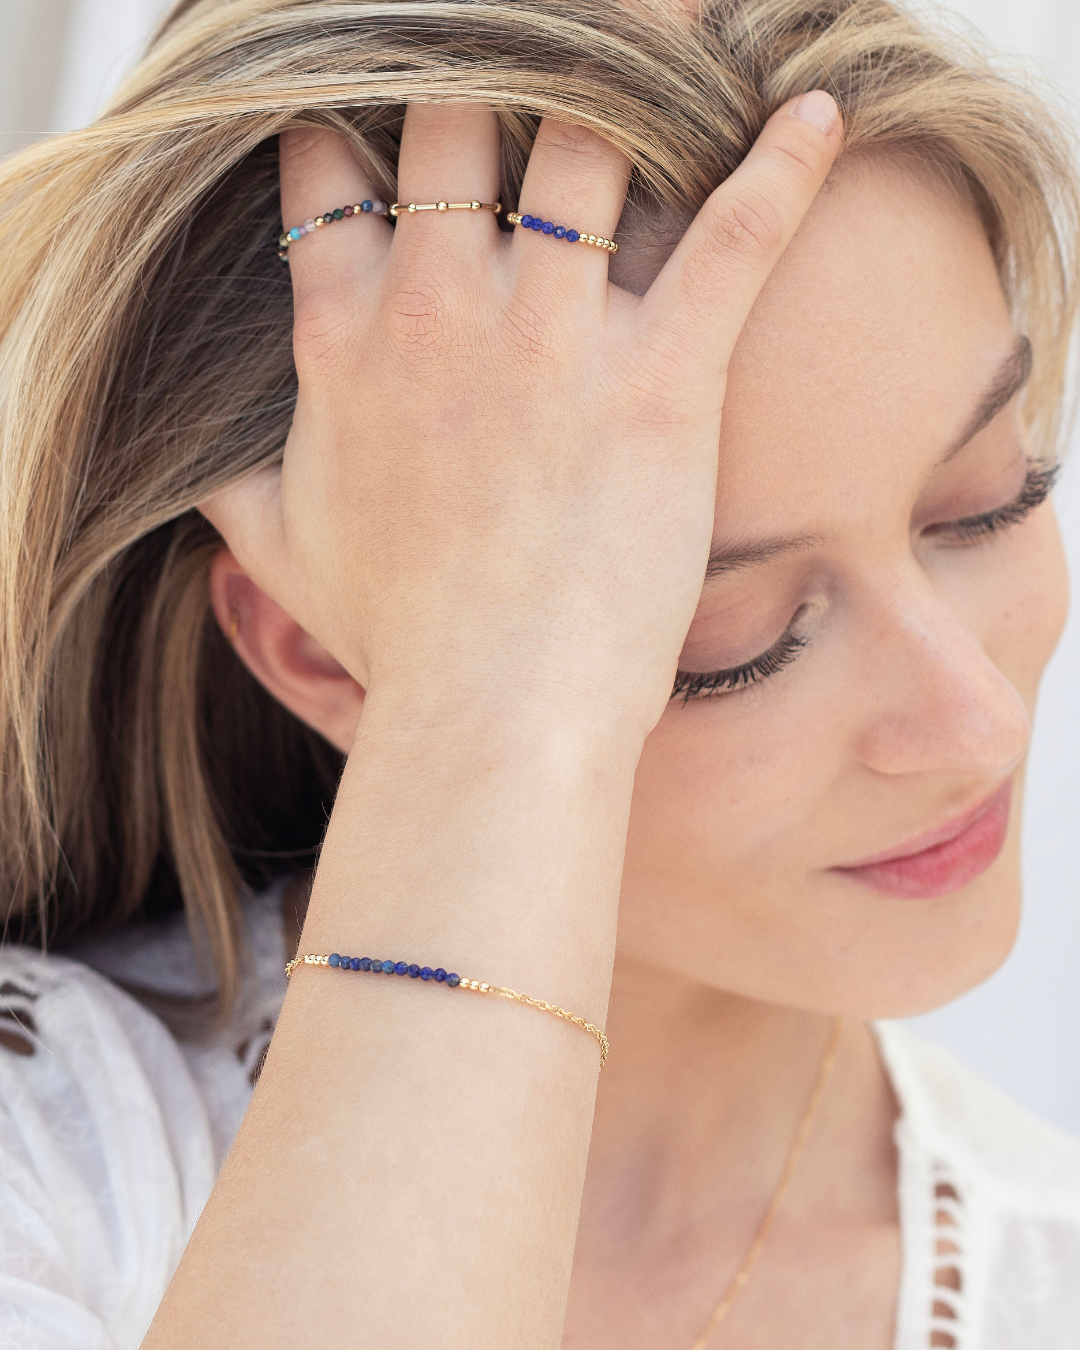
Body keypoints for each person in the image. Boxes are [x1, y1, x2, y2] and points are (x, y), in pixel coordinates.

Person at [1, 0, 1078, 1345]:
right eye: (733, 645)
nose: (974, 721)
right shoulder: (50, 1177)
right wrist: (473, 709)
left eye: (988, 501)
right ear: (315, 650)